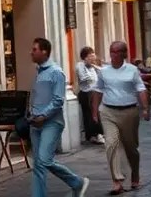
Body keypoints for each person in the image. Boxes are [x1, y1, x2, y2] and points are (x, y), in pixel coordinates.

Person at [28, 37, 90, 197]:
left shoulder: (56, 72)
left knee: (44, 160)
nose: (31, 52)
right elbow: (37, 97)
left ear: (44, 52)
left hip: (51, 123)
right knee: (38, 165)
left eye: (34, 49)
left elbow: (58, 100)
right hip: (36, 123)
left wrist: (43, 115)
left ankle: (77, 182)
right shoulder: (38, 73)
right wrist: (31, 114)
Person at [92, 41, 150, 194]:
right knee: (111, 144)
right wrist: (95, 111)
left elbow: (141, 88)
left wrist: (145, 108)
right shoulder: (104, 71)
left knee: (131, 148)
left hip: (129, 112)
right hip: (108, 111)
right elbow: (97, 91)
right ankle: (117, 181)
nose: (114, 55)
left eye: (117, 52)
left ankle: (135, 175)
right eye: (112, 51)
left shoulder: (132, 70)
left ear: (124, 54)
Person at [75, 46, 105, 144]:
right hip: (87, 93)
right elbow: (84, 78)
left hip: (95, 92)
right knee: (90, 114)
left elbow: (102, 73)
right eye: (90, 56)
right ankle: (95, 134)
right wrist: (89, 66)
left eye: (93, 56)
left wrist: (95, 66)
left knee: (95, 112)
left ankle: (95, 134)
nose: (92, 59)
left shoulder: (93, 67)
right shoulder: (80, 65)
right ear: (85, 57)